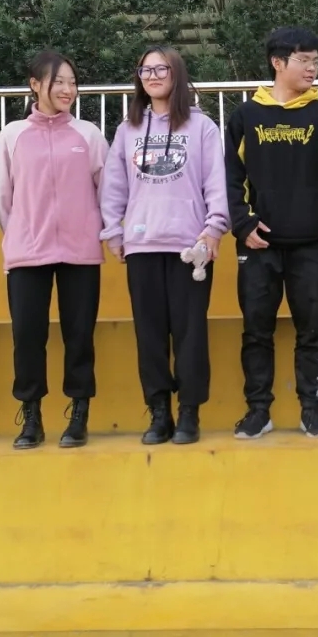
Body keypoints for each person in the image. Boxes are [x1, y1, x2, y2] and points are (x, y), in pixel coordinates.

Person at [101, 46, 229, 446]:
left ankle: (189, 411)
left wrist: (214, 229)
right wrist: (113, 232)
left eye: (161, 69)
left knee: (191, 334)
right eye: (145, 70)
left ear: (177, 74)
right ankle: (159, 411)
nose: (153, 76)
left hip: (191, 247)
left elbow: (216, 182)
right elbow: (114, 187)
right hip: (141, 245)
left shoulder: (202, 126)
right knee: (150, 335)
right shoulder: (127, 130)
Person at [225, 25, 318, 440]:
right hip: (258, 245)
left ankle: (312, 410)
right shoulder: (245, 116)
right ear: (278, 63)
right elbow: (231, 176)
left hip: (311, 242)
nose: (312, 68)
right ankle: (258, 411)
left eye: (316, 61)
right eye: (303, 60)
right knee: (256, 331)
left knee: (312, 331)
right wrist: (243, 223)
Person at [0, 50, 109, 450]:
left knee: (80, 335)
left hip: (81, 251)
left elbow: (106, 189)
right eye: (58, 81)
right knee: (27, 336)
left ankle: (79, 414)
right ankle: (31, 416)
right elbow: (2, 194)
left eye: (72, 82)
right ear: (35, 85)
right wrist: (19, 233)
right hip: (27, 252)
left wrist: (96, 230)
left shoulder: (88, 134)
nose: (67, 89)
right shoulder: (12, 135)